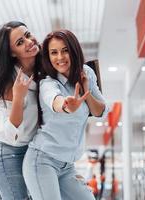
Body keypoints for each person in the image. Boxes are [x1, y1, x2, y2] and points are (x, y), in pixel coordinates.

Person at [23, 29, 109, 200]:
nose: (60, 57)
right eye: (53, 53)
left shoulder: (87, 73)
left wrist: (86, 91)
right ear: (48, 57)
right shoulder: (49, 83)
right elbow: (56, 102)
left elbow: (100, 111)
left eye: (65, 50)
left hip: (67, 166)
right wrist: (67, 106)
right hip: (42, 161)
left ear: (74, 50)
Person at [0, 21, 41, 200]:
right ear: (11, 53)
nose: (29, 42)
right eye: (20, 43)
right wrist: (18, 97)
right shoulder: (9, 80)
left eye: (27, 35)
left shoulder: (43, 68)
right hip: (7, 151)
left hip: (30, 148)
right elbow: (10, 134)